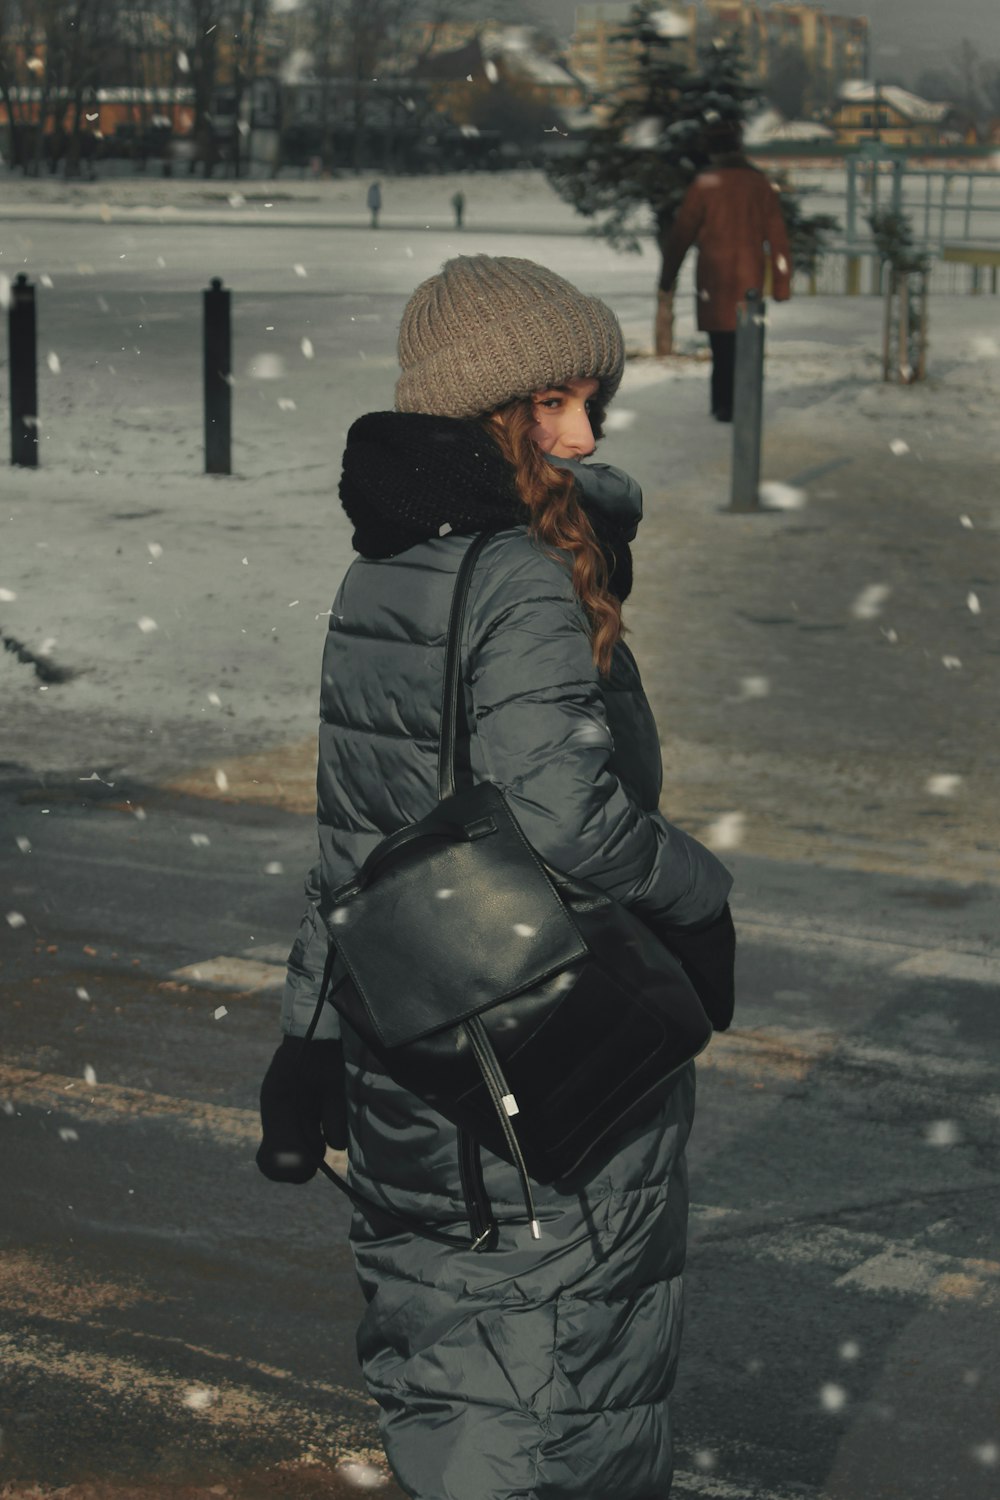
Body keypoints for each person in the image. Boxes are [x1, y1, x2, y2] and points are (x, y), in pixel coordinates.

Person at [257, 254, 737, 1500]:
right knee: (564, 1370)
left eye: (592, 403)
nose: (579, 434)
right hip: (542, 1034)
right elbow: (567, 818)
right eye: (550, 404)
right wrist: (699, 893)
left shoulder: (385, 568)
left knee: (448, 1346)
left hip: (407, 1036)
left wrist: (309, 1035)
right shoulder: (522, 572)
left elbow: (358, 840)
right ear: (484, 409)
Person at [659, 120, 792, 422]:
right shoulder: (759, 184)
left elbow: (682, 234)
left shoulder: (705, 184)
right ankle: (746, 404)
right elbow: (779, 238)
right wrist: (782, 283)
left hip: (714, 279)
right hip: (750, 279)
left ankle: (722, 407)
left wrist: (667, 276)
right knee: (749, 347)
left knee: (721, 348)